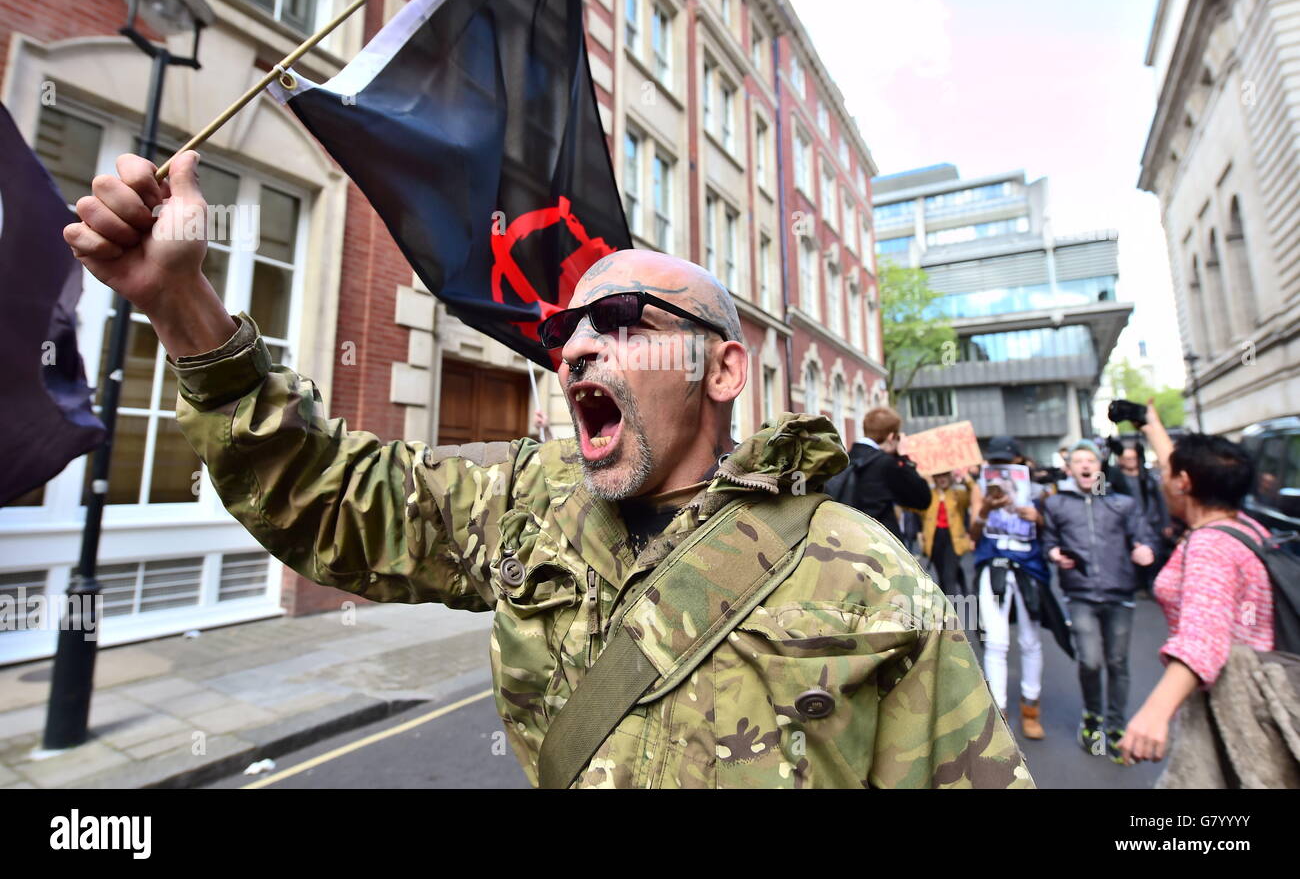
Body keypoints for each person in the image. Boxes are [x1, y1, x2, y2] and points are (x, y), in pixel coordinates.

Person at [62, 150, 1033, 789]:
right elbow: (326, 496)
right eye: (565, 331)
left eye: (620, 326)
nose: (573, 350)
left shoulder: (863, 576)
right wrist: (182, 302)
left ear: (723, 368)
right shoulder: (531, 507)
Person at [1118, 403, 1275, 776]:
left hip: (1234, 708)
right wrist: (1150, 425)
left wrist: (1155, 713)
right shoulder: (1245, 528)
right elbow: (1191, 474)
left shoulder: (1209, 546)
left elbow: (1203, 635)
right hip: (1257, 692)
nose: (1161, 479)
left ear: (1184, 483)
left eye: (1166, 473)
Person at [1042, 440, 1156, 762]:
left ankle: (1117, 726)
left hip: (1120, 593)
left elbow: (1144, 537)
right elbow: (1048, 541)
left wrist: (1144, 549)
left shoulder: (1122, 503)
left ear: (1099, 466)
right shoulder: (1056, 505)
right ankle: (1094, 717)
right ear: (1069, 468)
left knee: (1117, 662)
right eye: (1078, 460)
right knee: (1090, 660)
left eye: (1090, 459)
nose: (1084, 465)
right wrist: (1053, 553)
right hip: (1080, 594)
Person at [969, 436, 1073, 742]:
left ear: (1017, 461)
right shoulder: (980, 488)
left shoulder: (1039, 491)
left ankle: (1031, 709)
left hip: (1028, 567)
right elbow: (974, 533)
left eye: (1006, 461)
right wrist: (986, 509)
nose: (1000, 467)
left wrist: (1038, 518)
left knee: (1030, 640)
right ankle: (999, 711)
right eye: (995, 462)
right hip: (995, 565)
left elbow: (1052, 531)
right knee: (997, 641)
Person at [824, 407, 932, 542]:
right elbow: (922, 499)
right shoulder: (886, 464)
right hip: (880, 543)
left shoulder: (845, 459)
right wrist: (902, 457)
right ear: (892, 437)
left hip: (848, 540)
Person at [1106, 442, 1173, 593]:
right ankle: (1141, 584)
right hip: (1130, 524)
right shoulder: (1116, 478)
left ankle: (1153, 583)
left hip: (1152, 522)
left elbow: (1160, 500)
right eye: (1127, 458)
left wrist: (1166, 522)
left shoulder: (1148, 477)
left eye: (1133, 458)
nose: (1131, 461)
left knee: (1157, 554)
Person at [913, 468, 976, 599]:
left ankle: (950, 611)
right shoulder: (928, 495)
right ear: (934, 478)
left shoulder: (958, 494)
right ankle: (949, 600)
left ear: (950, 476)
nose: (942, 479)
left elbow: (974, 495)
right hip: (934, 539)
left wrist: (967, 478)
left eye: (945, 475)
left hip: (953, 539)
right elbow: (912, 505)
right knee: (942, 573)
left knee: (948, 576)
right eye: (938, 475)